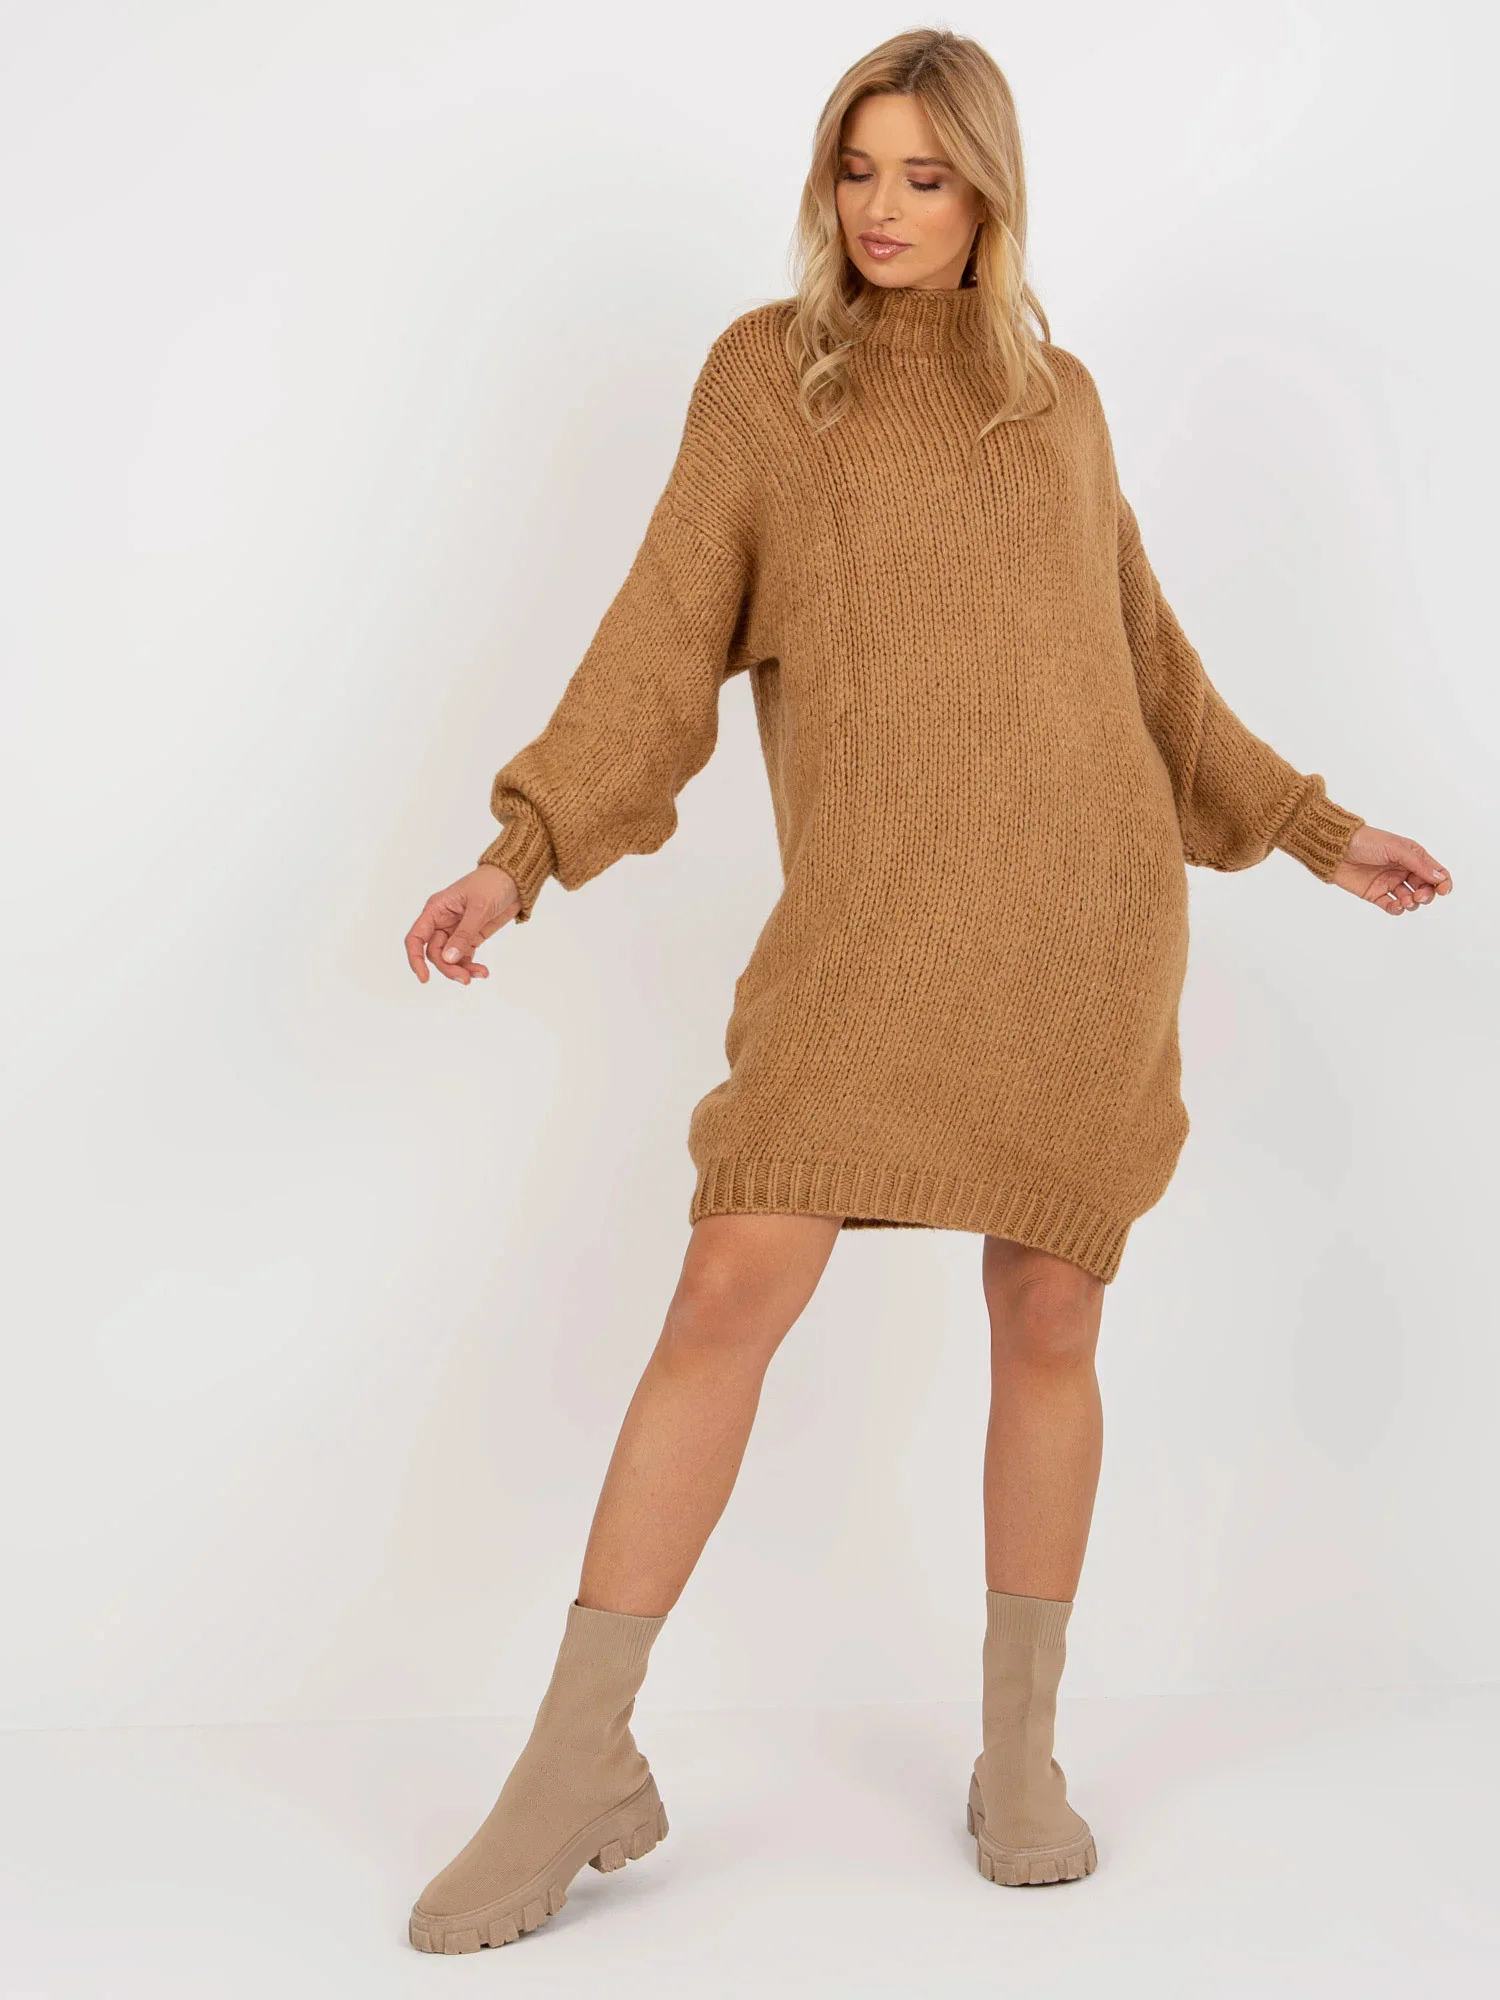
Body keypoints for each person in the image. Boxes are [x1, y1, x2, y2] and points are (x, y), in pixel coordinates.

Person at [400, 27, 1450, 1953]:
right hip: (871, 935)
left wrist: (1313, 829)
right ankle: (573, 1766)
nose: (883, 209)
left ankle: (1019, 1754)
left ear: (990, 196)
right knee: (732, 1284)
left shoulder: (1059, 401)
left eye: (926, 176)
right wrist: (520, 852)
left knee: (1050, 1308)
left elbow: (1148, 666)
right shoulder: (766, 379)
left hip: (1082, 928)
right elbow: (658, 643)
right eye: (858, 168)